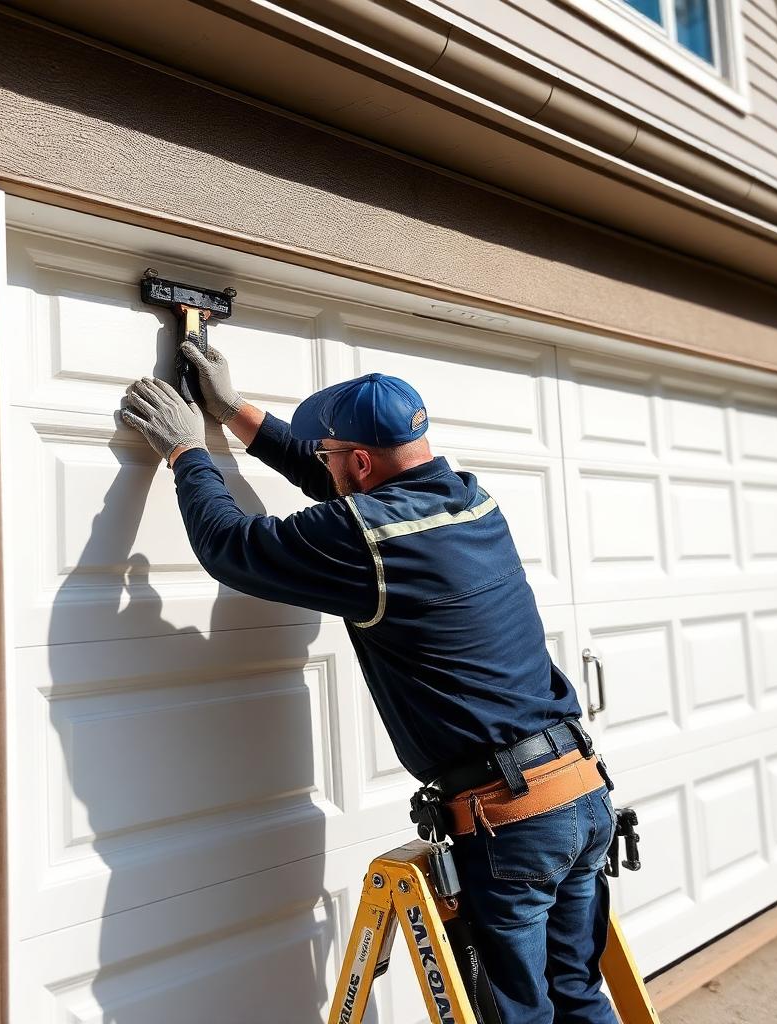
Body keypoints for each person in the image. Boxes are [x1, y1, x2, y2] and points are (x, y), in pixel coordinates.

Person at [121, 341, 619, 1024]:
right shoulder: (471, 501)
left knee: (522, 1016)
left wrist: (187, 453)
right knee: (578, 995)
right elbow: (342, 487)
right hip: (581, 791)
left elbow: (232, 547)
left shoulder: (372, 539)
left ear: (360, 462)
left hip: (513, 820)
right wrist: (234, 412)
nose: (320, 462)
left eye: (329, 453)